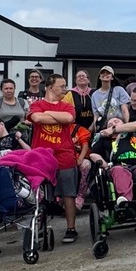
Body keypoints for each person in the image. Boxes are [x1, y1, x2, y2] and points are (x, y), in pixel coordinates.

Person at [27, 74, 80, 243]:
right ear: (50, 87)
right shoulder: (37, 105)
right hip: (42, 156)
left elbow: (69, 118)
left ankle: (71, 229)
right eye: (62, 86)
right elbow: (36, 118)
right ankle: (40, 227)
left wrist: (48, 113)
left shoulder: (67, 106)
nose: (65, 89)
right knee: (40, 194)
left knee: (68, 193)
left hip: (65, 155)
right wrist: (56, 116)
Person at [90, 118, 136, 206]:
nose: (113, 124)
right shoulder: (105, 140)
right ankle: (125, 200)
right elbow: (93, 154)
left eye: (116, 121)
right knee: (119, 170)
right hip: (118, 166)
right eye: (110, 124)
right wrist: (106, 166)